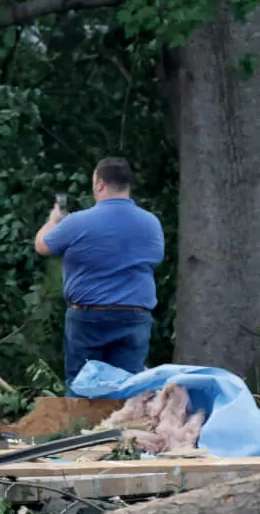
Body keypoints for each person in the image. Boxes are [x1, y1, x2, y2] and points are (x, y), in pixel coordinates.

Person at [33, 156, 165, 383]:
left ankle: (82, 420)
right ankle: (125, 419)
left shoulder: (77, 222)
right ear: (127, 185)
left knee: (83, 388)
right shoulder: (151, 223)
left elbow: (42, 246)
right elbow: (155, 259)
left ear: (100, 184)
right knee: (127, 388)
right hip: (134, 315)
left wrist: (53, 221)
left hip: (88, 317)